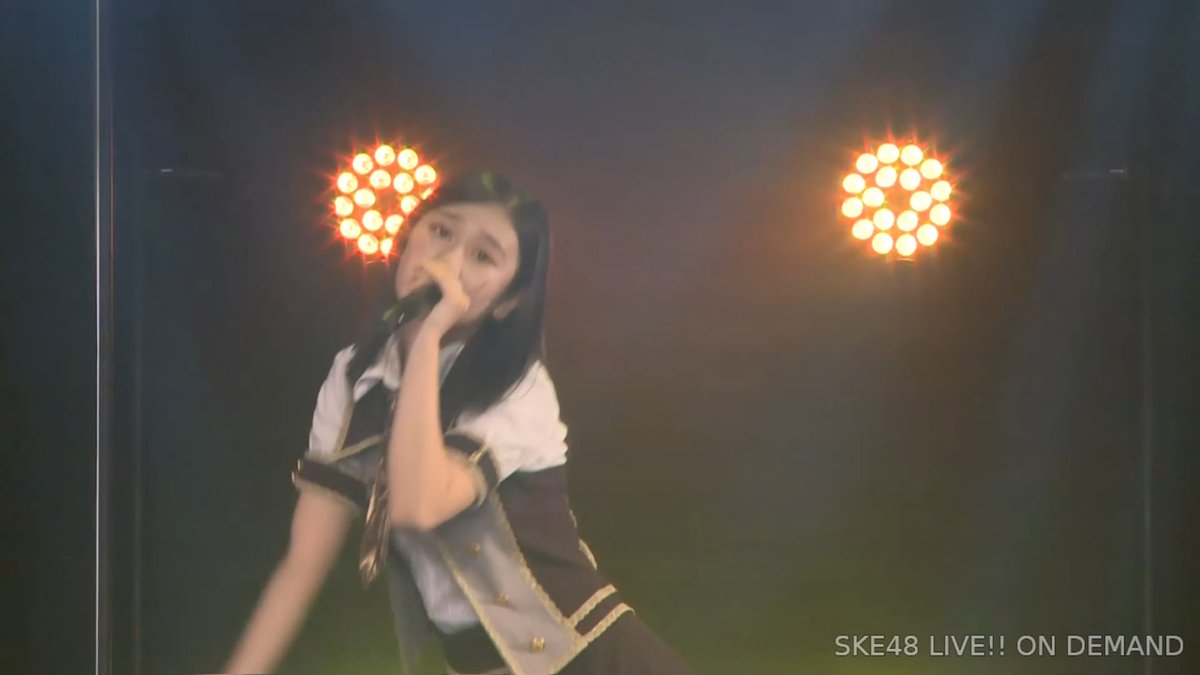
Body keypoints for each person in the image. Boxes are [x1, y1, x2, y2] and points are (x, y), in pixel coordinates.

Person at [223, 169, 692, 674]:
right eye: (441, 231)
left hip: (588, 656)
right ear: (408, 238)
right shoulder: (354, 376)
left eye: (483, 256)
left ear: (507, 301)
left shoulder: (520, 386)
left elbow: (418, 505)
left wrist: (427, 338)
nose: (447, 260)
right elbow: (303, 564)